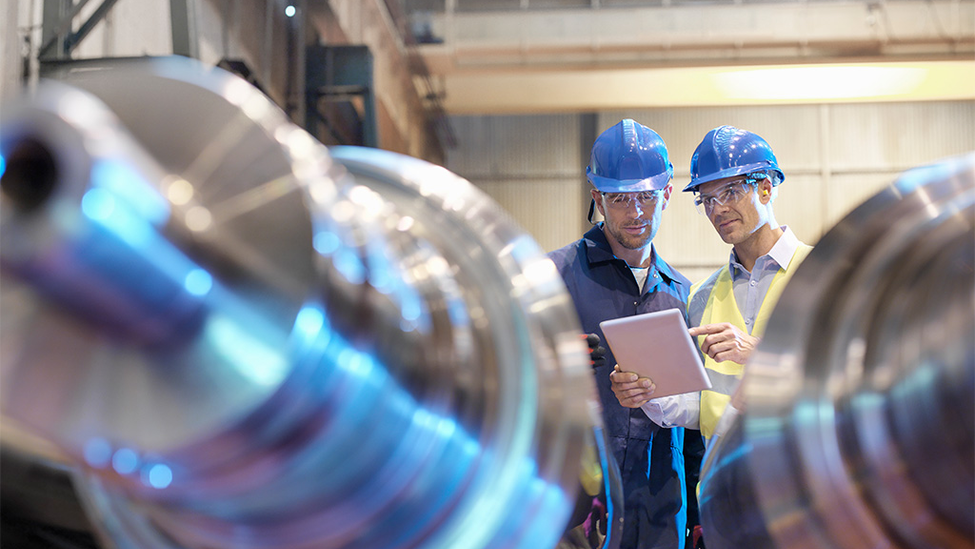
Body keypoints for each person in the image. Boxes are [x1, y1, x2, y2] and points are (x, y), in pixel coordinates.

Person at [609, 124, 813, 448]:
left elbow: (861, 375)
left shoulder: (822, 276)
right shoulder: (701, 295)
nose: (718, 209)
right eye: (707, 200)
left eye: (730, 192)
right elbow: (701, 407)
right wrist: (648, 394)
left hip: (805, 483)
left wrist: (762, 354)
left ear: (765, 188)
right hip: (725, 487)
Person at [549, 119, 692, 549]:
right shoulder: (551, 278)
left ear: (666, 193)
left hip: (659, 508)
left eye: (646, 197)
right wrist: (549, 359)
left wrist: (701, 514)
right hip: (574, 507)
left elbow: (695, 411)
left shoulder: (682, 295)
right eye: (619, 199)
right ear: (598, 198)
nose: (635, 213)